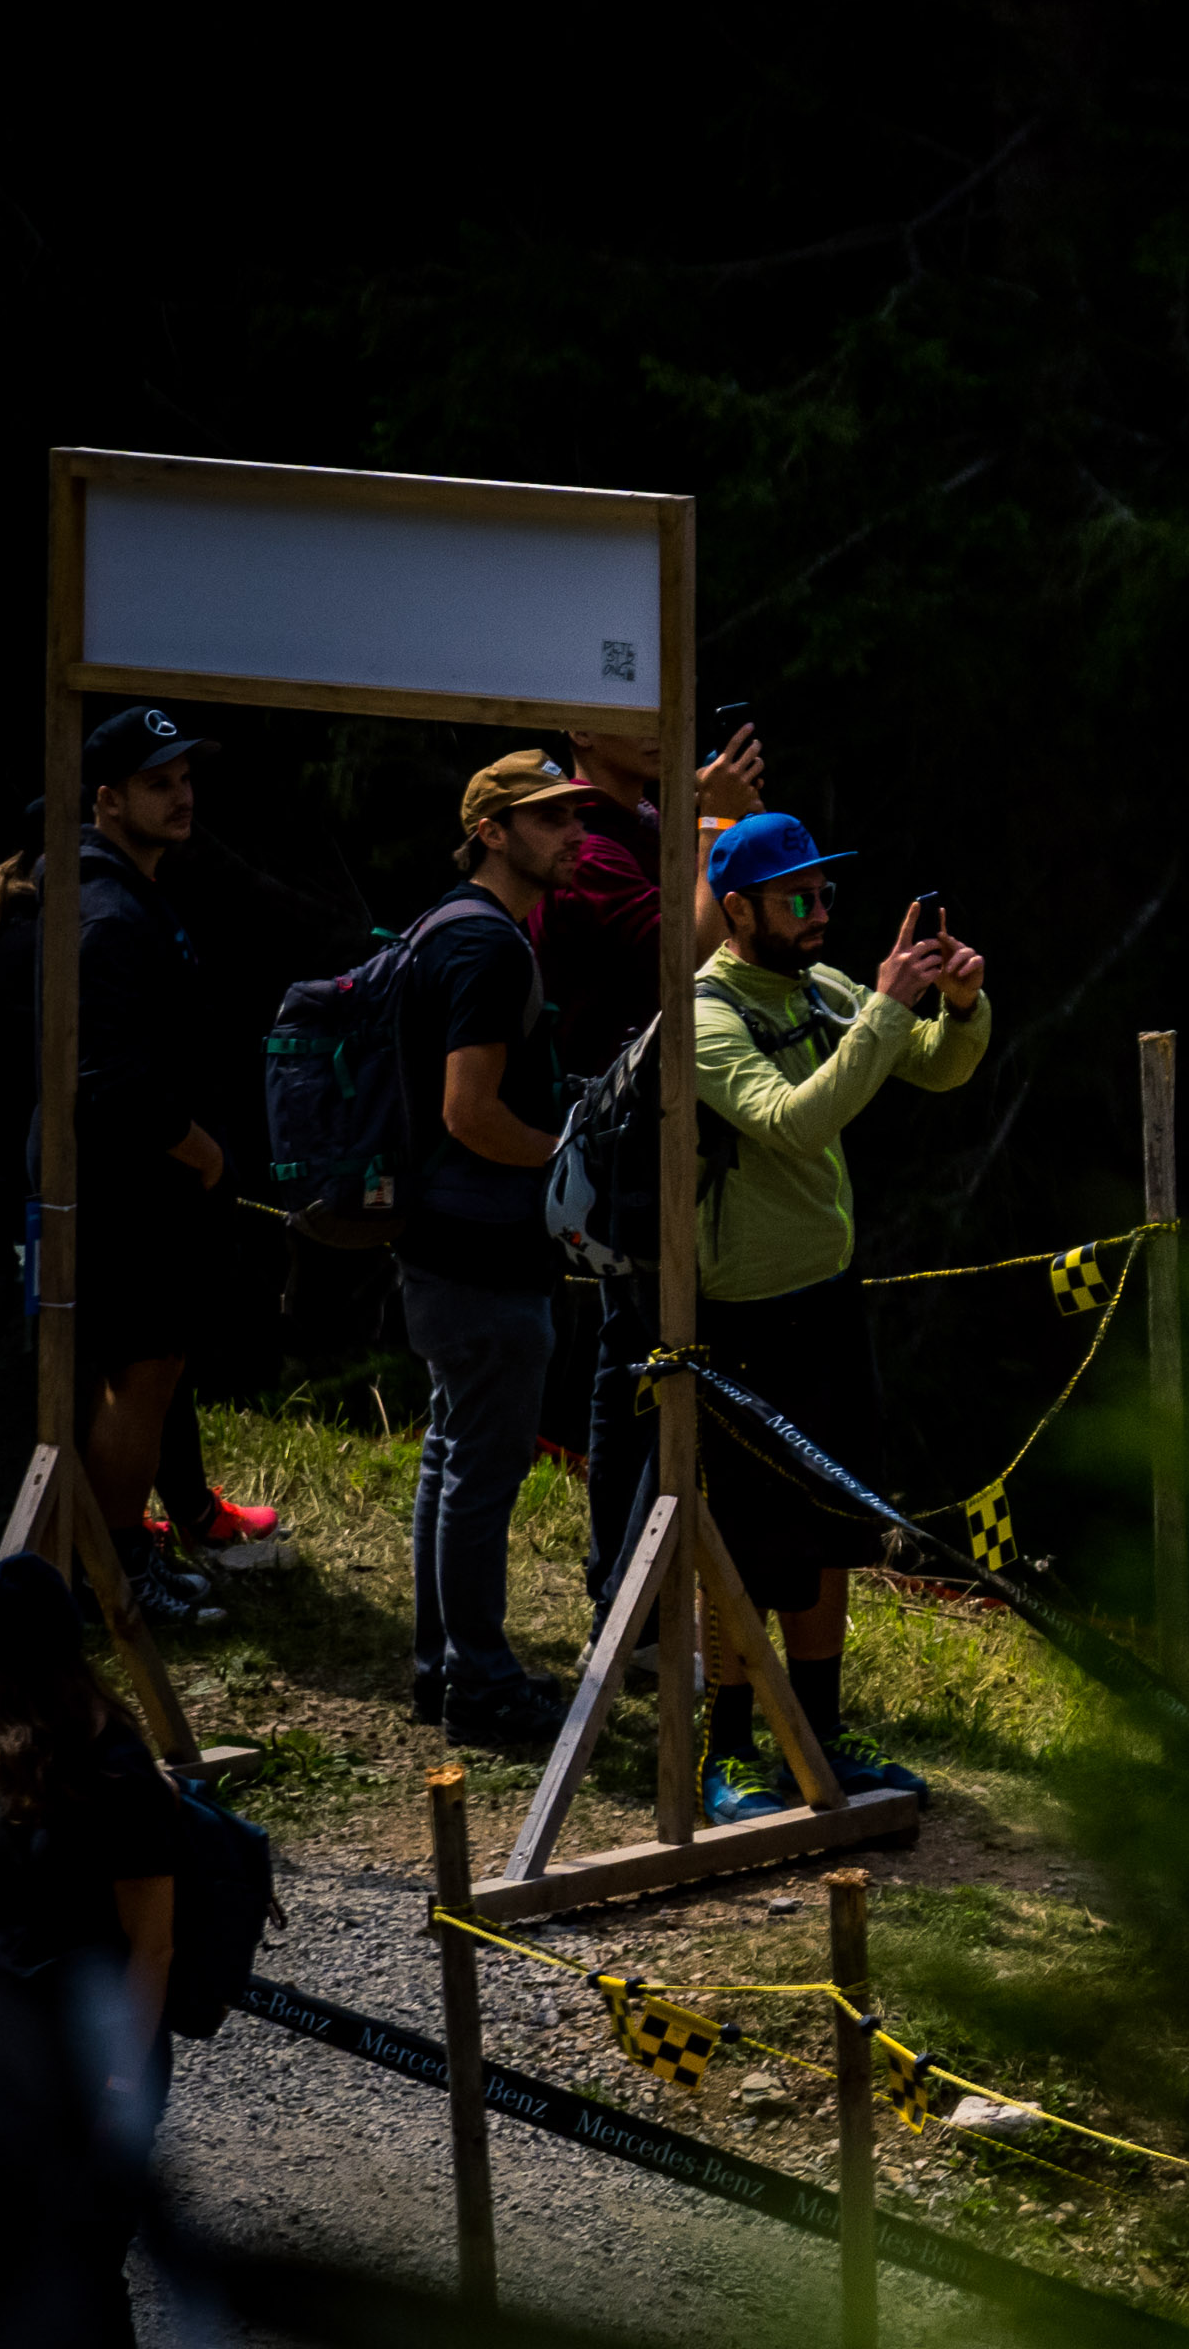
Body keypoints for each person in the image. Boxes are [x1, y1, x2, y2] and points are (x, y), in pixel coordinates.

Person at [687, 813, 990, 1822]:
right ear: (737, 909)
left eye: (825, 895)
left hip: (825, 1301)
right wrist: (887, 1010)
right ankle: (728, 1747)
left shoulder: (820, 988)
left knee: (829, 1530)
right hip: (738, 1322)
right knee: (741, 1537)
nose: (819, 914)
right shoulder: (705, 1011)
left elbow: (938, 1068)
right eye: (797, 898)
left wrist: (960, 1003)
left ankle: (817, 1728)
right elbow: (792, 1119)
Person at [33, 709, 274, 1632]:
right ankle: (111, 1572)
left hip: (145, 1185)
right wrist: (203, 1153)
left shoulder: (132, 891)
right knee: (141, 1371)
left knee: (150, 1368)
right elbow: (108, 1078)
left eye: (184, 780)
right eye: (157, 784)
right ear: (106, 799)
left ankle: (110, 1557)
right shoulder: (106, 912)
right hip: (127, 1187)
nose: (181, 798)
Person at [537, 717, 766, 1619]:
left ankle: (627, 1591)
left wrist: (714, 831)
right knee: (651, 1357)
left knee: (634, 1356)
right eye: (642, 715)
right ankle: (627, 1599)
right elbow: (691, 959)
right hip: (622, 1139)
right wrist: (709, 831)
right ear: (587, 731)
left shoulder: (640, 826)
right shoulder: (585, 842)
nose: (667, 726)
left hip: (663, 1128)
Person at [398, 753, 594, 1749]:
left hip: (439, 1242)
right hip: (480, 1251)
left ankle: (443, 1669)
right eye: (548, 817)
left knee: (452, 1452)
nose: (571, 833)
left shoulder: (447, 927)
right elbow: (468, 1110)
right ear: (492, 831)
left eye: (572, 814)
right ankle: (478, 1679)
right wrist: (565, 1153)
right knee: (483, 1465)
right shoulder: (487, 948)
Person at [0, 1549, 182, 2344]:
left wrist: (115, 2091)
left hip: (91, 2073)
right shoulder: (8, 1759)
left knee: (83, 2273)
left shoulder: (114, 1772)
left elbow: (153, 1949)